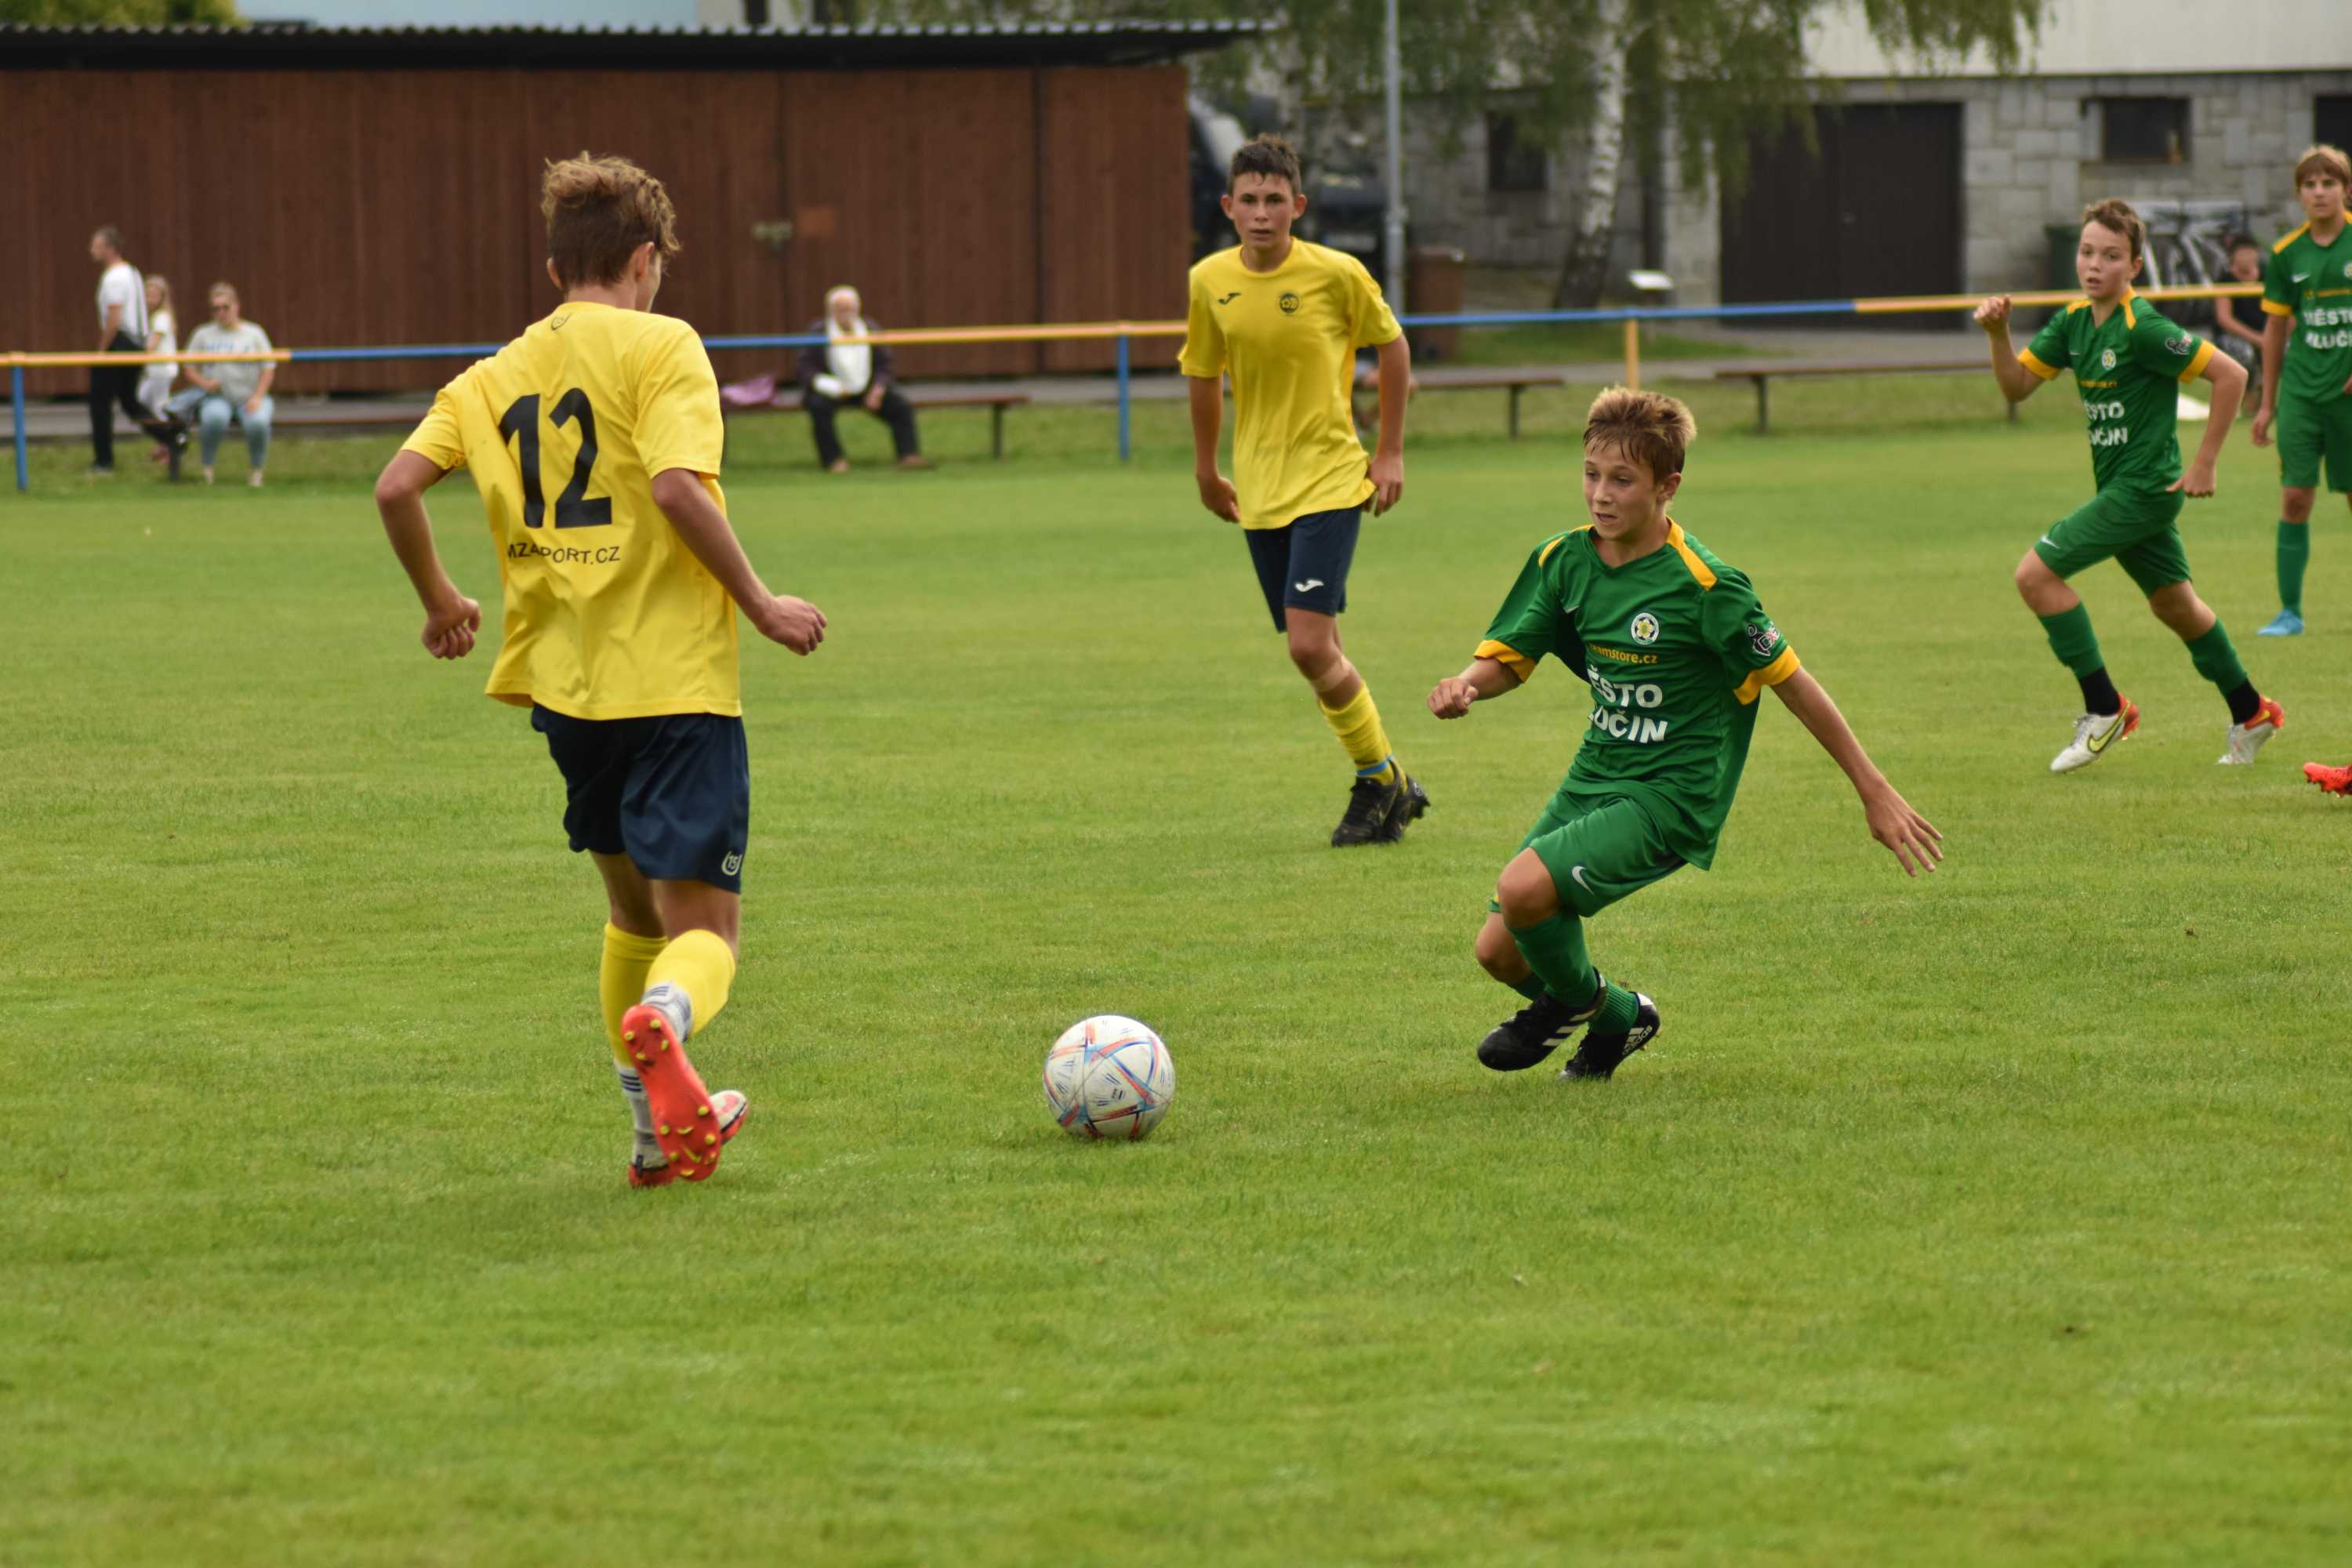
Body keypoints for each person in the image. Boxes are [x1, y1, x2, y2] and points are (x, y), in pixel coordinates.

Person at [372, 152, 828, 1189]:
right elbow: (675, 487)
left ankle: (650, 1137)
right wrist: (760, 602)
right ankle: (669, 1022)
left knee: (630, 917)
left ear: (551, 268)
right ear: (644, 258)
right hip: (672, 684)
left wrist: (443, 604)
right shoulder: (665, 346)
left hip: (564, 696)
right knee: (703, 935)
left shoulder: (489, 377)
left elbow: (396, 488)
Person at [1428, 388, 1940, 1080]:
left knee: (1523, 891)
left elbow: (1793, 682)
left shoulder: (1709, 586)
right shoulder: (1564, 560)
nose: (1600, 496)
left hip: (1672, 795)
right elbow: (1511, 657)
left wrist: (1873, 790)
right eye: (1590, 474)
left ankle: (1570, 1007)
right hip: (1597, 773)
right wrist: (1467, 683)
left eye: (1622, 480)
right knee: (1499, 951)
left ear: (1668, 487)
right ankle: (1616, 1017)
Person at [1974, 198, 2278, 772]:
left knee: (2035, 576)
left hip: (2142, 490)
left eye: (2111, 256)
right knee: (2176, 605)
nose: (2094, 265)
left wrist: (2207, 461)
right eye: (2087, 252)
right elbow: (2015, 387)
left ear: (2134, 266)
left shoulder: (2144, 329)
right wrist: (1998, 334)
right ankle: (2252, 710)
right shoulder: (2071, 323)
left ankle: (2105, 708)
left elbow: (2231, 375)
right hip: (2126, 490)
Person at [1181, 133, 1424, 848]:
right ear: (1228, 207)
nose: (1262, 214)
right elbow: (1201, 376)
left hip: (1329, 477)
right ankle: (1391, 785)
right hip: (1259, 488)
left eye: (1275, 201)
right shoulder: (1209, 282)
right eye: (1249, 201)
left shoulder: (1338, 274)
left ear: (1299, 206)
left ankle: (1378, 778)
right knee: (1321, 648)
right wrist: (1205, 469)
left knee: (1307, 647)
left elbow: (1395, 347)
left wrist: (1390, 452)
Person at [2250, 144, 2352, 637]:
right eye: (2310, 185)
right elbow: (2275, 331)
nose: (2319, 192)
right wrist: (2267, 404)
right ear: (2299, 194)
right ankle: (2289, 612)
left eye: (2328, 183)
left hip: (2349, 399)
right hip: (2303, 396)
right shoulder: (2287, 253)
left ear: (2345, 190)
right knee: (2294, 499)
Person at [794, 285, 926, 474]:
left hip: (866, 387)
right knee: (818, 407)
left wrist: (878, 389)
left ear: (858, 309)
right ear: (831, 311)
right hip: (832, 388)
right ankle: (833, 461)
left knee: (901, 406)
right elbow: (804, 369)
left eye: (850, 308)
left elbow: (885, 364)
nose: (846, 313)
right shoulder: (818, 331)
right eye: (841, 309)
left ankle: (908, 456)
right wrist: (830, 386)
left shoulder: (870, 329)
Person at [85, 227, 183, 477]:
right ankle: (171, 436)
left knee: (100, 402)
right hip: (135, 342)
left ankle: (103, 461)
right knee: (129, 402)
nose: (92, 250)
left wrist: (102, 351)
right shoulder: (132, 272)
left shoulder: (115, 277)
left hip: (121, 343)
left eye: (96, 245)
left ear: (110, 248)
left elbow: (115, 318)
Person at [169, 282, 277, 487]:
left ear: (236, 306)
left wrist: (258, 397)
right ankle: (207, 470)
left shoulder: (254, 333)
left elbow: (268, 368)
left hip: (249, 396)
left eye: (225, 307)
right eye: (215, 309)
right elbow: (189, 367)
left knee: (258, 423)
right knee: (214, 419)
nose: (221, 313)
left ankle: (256, 472)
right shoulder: (203, 334)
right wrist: (204, 383)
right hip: (218, 397)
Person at [2210, 234, 2267, 398]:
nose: (2247, 257)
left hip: (2268, 333)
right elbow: (2225, 319)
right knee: (2244, 353)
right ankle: (2246, 397)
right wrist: (2258, 339)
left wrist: (2274, 336)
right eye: (2242, 253)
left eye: (2251, 252)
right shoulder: (2225, 280)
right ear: (2232, 256)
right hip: (2235, 336)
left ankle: (2271, 396)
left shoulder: (2268, 276)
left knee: (2289, 350)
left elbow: (2288, 311)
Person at [138, 274, 181, 469]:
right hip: (154, 370)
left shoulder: (162, 317)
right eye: (147, 295)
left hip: (162, 369)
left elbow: (151, 345)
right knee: (141, 400)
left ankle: (171, 445)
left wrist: (134, 355)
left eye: (154, 295)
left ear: (162, 297)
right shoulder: (151, 318)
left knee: (159, 408)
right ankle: (164, 441)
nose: (149, 299)